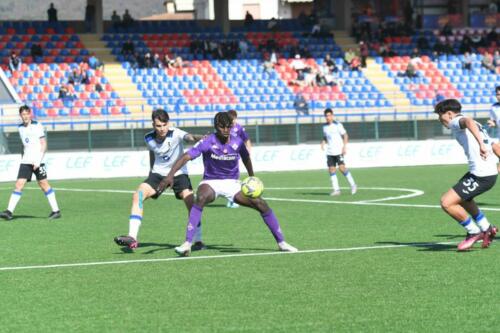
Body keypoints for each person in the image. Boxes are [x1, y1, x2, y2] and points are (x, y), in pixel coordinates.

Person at [158, 112, 298, 256]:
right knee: (200, 198)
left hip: (232, 183)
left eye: (228, 127)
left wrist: (252, 178)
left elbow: (246, 158)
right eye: (221, 127)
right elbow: (186, 156)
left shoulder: (237, 142)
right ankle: (187, 244)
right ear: (215, 126)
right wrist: (169, 176)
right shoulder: (207, 141)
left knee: (261, 204)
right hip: (211, 181)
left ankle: (282, 243)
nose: (225, 130)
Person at [114, 109, 205, 250]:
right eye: (158, 126)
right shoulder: (148, 138)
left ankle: (198, 240)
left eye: (164, 125)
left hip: (179, 174)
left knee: (191, 203)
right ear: (153, 125)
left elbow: (191, 137)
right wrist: (151, 171)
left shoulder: (176, 133)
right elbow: (153, 152)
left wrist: (203, 138)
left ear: (168, 123)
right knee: (138, 195)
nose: (162, 129)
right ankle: (132, 238)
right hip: (157, 174)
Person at [434, 99, 498, 251]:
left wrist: (481, 145)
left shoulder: (456, 121)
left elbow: (467, 121)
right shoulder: (479, 125)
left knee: (447, 202)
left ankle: (473, 232)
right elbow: (494, 145)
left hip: (481, 175)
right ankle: (486, 227)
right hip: (485, 173)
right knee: (464, 199)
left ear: (449, 114)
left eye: (440, 115)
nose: (439, 119)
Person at [0, 105, 61, 221]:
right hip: (26, 161)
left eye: (27, 114)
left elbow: (43, 144)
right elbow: (25, 145)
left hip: (39, 161)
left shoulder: (37, 125)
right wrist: (23, 158)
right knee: (19, 184)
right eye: (23, 114)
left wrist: (38, 160)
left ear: (30, 114)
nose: (25, 116)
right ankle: (9, 212)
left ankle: (56, 211)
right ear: (21, 116)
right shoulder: (20, 128)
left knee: (44, 185)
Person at [321, 108, 357, 196]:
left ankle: (353, 185)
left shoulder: (338, 125)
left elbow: (345, 135)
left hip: (338, 151)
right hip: (330, 152)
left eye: (329, 115)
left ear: (332, 116)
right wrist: (323, 142)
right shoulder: (324, 127)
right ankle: (336, 190)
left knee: (342, 168)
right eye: (326, 116)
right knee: (331, 169)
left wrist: (344, 147)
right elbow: (326, 137)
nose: (328, 117)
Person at [225, 110, 252, 208]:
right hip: (223, 155)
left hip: (234, 155)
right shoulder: (224, 128)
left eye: (233, 119)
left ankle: (233, 200)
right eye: (230, 119)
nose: (232, 121)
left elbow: (246, 139)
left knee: (233, 176)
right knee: (227, 177)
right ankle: (232, 199)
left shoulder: (239, 128)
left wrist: (248, 150)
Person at [487, 86, 500, 172]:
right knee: (495, 148)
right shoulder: (494, 107)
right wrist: (492, 123)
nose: (499, 96)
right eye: (497, 94)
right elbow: (494, 121)